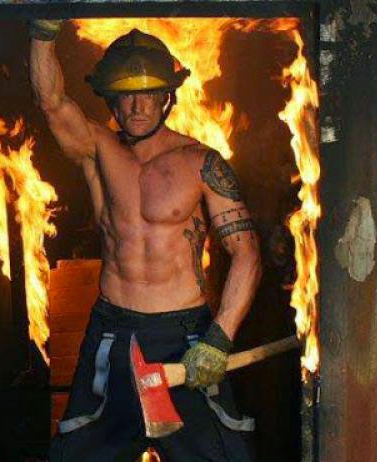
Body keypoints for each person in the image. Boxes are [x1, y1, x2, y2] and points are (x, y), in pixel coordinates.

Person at [29, 20, 262, 462]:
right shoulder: (97, 148)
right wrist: (43, 31)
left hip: (187, 336)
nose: (137, 106)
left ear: (166, 96)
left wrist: (218, 339)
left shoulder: (201, 163)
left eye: (148, 93)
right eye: (125, 95)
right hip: (113, 333)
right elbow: (51, 101)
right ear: (110, 99)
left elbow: (246, 253)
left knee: (221, 455)